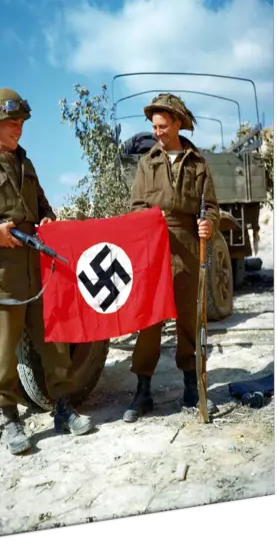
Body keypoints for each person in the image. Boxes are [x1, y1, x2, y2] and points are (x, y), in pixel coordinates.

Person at [0, 88, 94, 454]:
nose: (19, 129)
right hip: (5, 278)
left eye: (22, 122)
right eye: (13, 122)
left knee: (55, 346)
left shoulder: (27, 166)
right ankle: (9, 418)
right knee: (4, 351)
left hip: (37, 275)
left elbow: (44, 206)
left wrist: (47, 217)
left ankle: (63, 408)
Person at [123, 93, 220, 422]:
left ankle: (191, 387)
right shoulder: (146, 162)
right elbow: (136, 207)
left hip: (188, 248)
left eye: (163, 126)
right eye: (154, 126)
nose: (158, 132)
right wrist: (147, 227)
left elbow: (213, 209)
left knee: (189, 319)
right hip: (153, 248)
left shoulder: (198, 163)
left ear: (178, 123)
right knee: (149, 320)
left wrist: (210, 224)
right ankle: (143, 389)